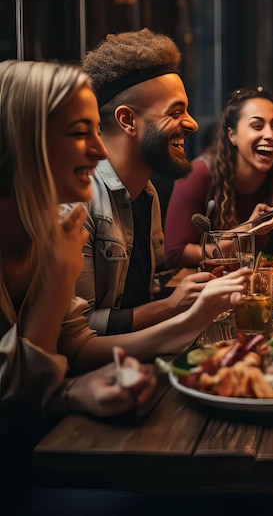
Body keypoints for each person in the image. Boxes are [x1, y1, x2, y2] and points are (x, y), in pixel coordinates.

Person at [0, 60, 157, 478]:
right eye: (78, 133)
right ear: (20, 142)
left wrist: (73, 392)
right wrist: (56, 281)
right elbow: (11, 424)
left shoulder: (49, 229)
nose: (101, 149)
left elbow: (70, 348)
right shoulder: (60, 242)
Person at [75, 28, 223, 337]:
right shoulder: (79, 203)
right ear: (127, 120)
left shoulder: (146, 191)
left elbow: (148, 292)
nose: (193, 123)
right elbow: (77, 330)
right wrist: (172, 307)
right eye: (176, 111)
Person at [165, 86, 273, 269]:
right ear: (232, 135)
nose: (270, 135)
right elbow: (175, 253)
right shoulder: (198, 174)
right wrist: (248, 229)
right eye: (257, 126)